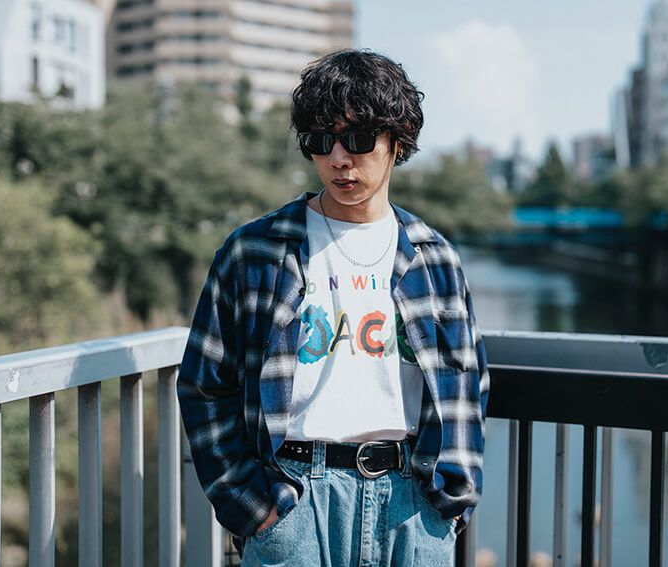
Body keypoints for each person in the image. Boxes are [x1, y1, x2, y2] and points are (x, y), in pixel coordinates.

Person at [177, 49, 490, 566]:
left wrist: (450, 507)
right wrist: (253, 508)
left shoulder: (434, 258)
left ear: (397, 142)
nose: (339, 159)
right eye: (321, 141)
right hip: (294, 498)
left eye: (359, 139)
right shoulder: (255, 251)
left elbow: (468, 384)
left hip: (412, 505)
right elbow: (204, 384)